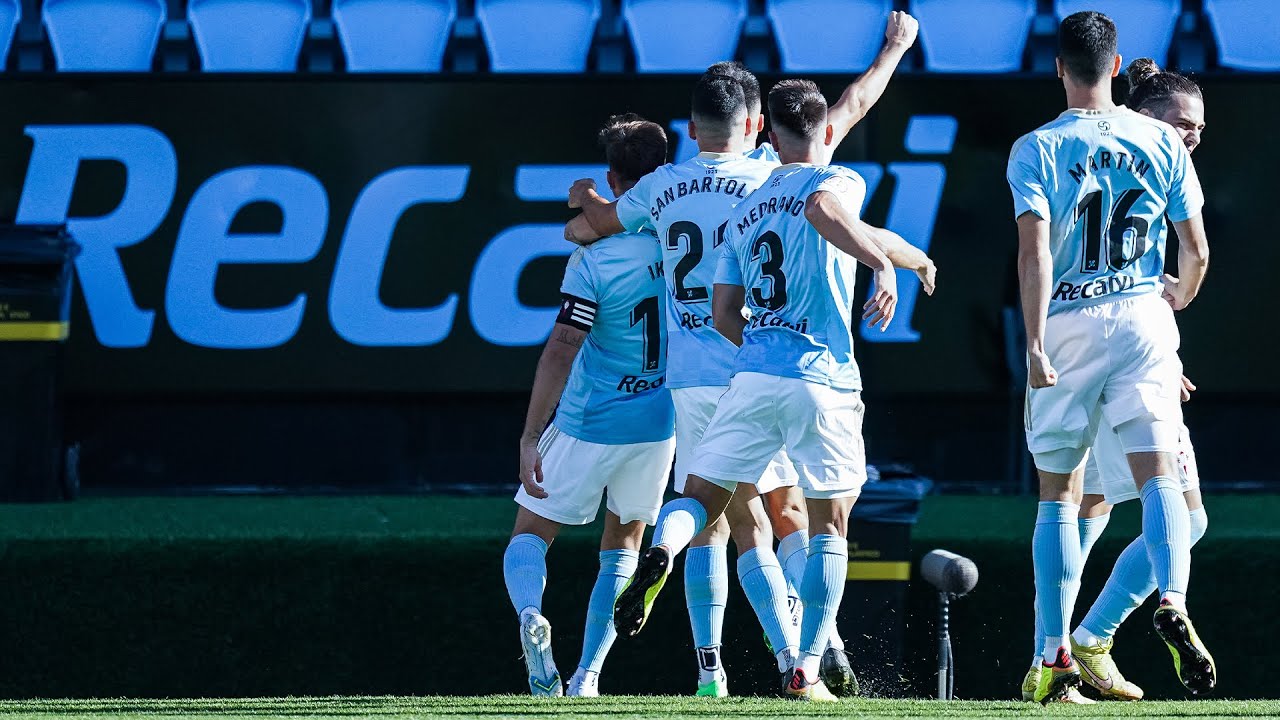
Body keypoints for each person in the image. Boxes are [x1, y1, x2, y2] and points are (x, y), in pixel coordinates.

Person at [566, 14, 922, 697]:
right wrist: (895, 48)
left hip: (689, 378)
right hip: (765, 362)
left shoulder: (660, 185)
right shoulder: (770, 175)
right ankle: (810, 652)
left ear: (692, 129)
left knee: (713, 518)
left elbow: (591, 227)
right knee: (798, 512)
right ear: (758, 124)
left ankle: (713, 666)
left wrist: (581, 198)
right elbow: (849, 108)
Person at [1007, 12, 1214, 704]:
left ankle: (1057, 654)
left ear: (1059, 67)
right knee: (1160, 481)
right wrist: (1178, 296)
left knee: (1059, 496)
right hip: (1141, 316)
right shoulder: (1161, 140)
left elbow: (1034, 251)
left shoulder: (1035, 147)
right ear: (1119, 64)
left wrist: (1035, 342)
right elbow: (1198, 250)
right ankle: (1173, 598)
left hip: (1069, 317)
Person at [502, 115, 675, 698]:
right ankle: (587, 678)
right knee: (624, 544)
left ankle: (531, 615)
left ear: (612, 175)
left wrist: (531, 434)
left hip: (588, 420)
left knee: (530, 534)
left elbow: (563, 346)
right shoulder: (681, 241)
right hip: (657, 422)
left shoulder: (594, 259)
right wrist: (593, 204)